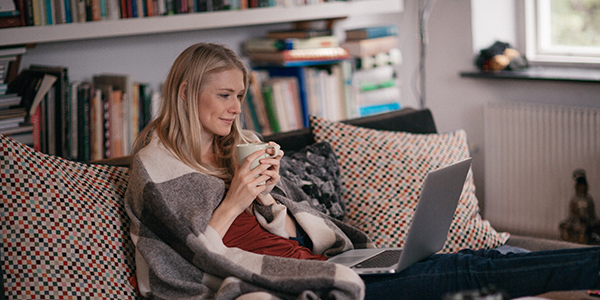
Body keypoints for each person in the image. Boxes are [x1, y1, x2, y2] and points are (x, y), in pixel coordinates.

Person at [125, 42, 600, 300]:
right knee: (467, 268)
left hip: (315, 264)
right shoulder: (157, 167)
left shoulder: (240, 148)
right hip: (278, 281)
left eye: (240, 95)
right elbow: (193, 258)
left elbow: (297, 236)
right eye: (224, 95)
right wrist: (234, 201)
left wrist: (268, 199)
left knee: (488, 259)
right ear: (186, 92)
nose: (236, 108)